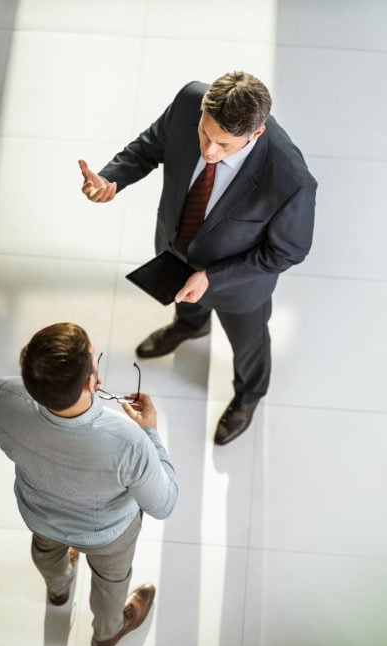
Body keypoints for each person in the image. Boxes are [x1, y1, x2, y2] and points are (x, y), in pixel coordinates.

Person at [78, 71, 316, 446]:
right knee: (183, 298)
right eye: (205, 134)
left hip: (238, 287)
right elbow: (149, 147)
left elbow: (289, 250)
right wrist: (111, 180)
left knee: (249, 345)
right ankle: (190, 326)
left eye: (223, 145)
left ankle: (249, 396)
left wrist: (214, 276)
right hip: (177, 246)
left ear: (255, 134)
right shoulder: (190, 100)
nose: (208, 151)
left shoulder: (290, 180)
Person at [0, 322, 178, 646]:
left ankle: (59, 587)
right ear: (90, 383)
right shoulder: (129, 442)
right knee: (110, 584)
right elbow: (164, 504)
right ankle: (107, 634)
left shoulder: (3, 396)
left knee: (47, 552)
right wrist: (151, 432)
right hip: (108, 535)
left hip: (42, 517)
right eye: (95, 365)